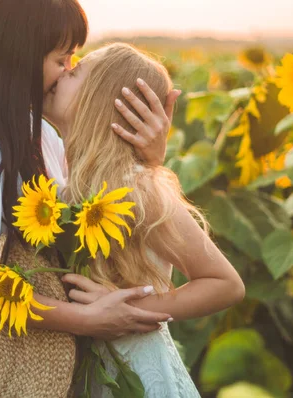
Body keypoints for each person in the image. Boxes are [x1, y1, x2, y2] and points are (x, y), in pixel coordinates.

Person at [0, 0, 181, 344]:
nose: (67, 71)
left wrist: (148, 163)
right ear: (17, 56)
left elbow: (97, 233)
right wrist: (82, 319)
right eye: (61, 59)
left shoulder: (40, 134)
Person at [44, 43, 246, 397]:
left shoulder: (135, 185)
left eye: (74, 72)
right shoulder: (65, 173)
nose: (62, 73)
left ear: (99, 100)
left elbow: (226, 284)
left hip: (137, 374)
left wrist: (130, 308)